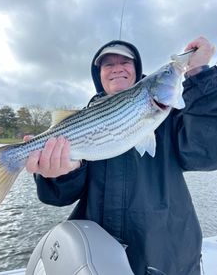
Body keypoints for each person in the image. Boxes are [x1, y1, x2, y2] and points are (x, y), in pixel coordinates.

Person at [25, 36, 217, 275]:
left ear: (137, 71)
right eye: (108, 64)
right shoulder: (83, 123)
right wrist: (57, 176)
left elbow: (207, 154)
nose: (117, 67)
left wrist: (199, 74)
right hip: (98, 261)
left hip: (168, 258)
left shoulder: (170, 118)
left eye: (125, 62)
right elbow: (58, 196)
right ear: (99, 75)